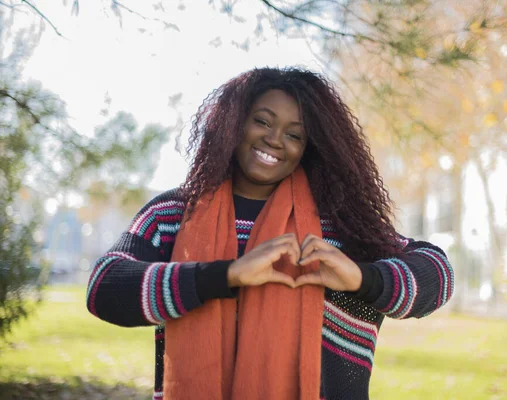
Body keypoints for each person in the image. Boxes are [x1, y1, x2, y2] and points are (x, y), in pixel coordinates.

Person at [86, 67, 454, 400]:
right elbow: (104, 288)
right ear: (234, 123)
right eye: (262, 122)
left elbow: (438, 273)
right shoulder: (174, 214)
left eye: (295, 134)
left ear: (309, 148)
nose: (275, 139)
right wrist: (226, 275)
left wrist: (362, 279)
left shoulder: (341, 226)